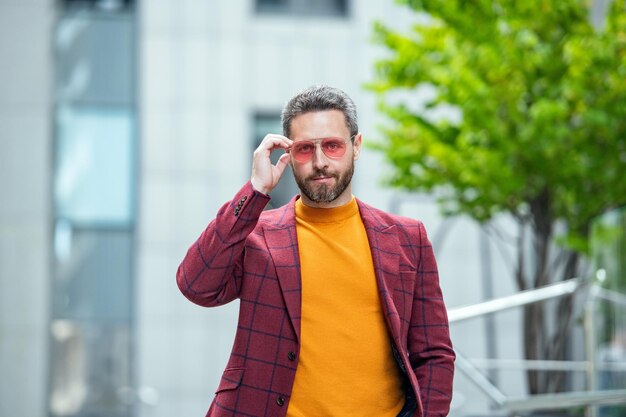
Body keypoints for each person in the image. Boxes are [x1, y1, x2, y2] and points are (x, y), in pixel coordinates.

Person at [176, 85, 455, 417]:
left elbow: (434, 354)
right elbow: (196, 285)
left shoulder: (407, 238)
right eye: (305, 149)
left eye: (333, 146)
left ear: (357, 146)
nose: (320, 162)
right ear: (289, 154)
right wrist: (255, 191)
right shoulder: (257, 235)